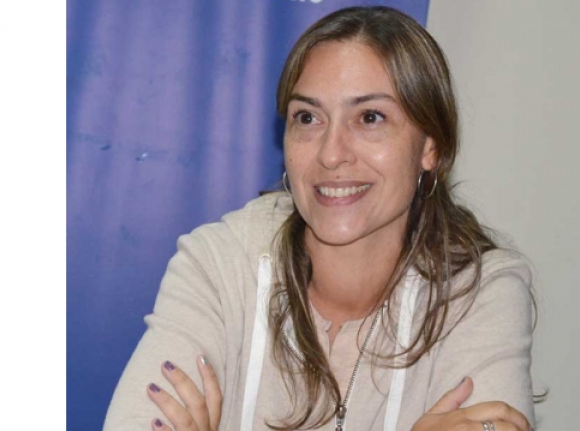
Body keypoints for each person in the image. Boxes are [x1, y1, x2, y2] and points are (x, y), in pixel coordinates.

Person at [103, 6, 537, 431]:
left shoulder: (478, 289)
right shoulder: (220, 263)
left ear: (430, 146)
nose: (331, 154)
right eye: (308, 118)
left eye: (370, 118)